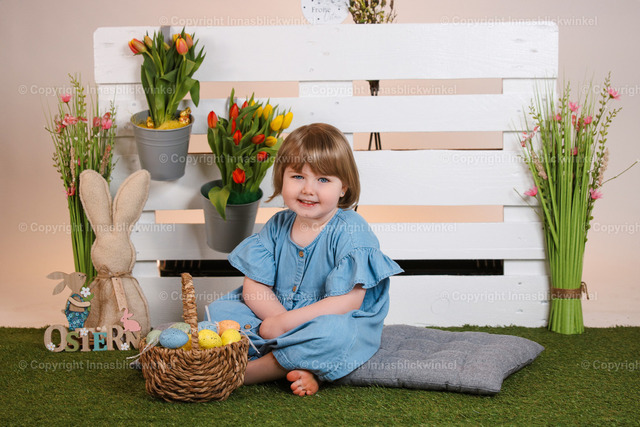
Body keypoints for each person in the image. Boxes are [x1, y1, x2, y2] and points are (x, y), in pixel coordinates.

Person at [207, 123, 403, 396]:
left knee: (336, 334)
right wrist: (278, 319)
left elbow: (348, 302)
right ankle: (303, 362)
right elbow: (255, 287)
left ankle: (254, 370)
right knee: (221, 311)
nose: (308, 189)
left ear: (343, 187)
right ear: (282, 178)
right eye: (298, 176)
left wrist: (284, 325)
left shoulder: (351, 230)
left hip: (331, 317)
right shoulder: (278, 225)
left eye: (323, 180)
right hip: (275, 312)